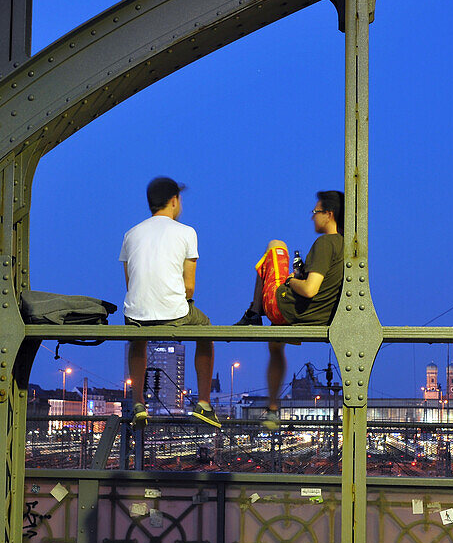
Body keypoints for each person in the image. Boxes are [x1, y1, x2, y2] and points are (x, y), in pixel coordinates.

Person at [234, 190, 344, 429]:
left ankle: (253, 313)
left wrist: (290, 281)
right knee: (275, 344)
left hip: (284, 308)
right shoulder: (347, 247)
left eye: (316, 212)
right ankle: (273, 409)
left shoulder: (326, 242)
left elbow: (310, 289)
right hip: (316, 317)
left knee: (275, 246)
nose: (312, 217)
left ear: (329, 214)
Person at [119, 177, 219, 428]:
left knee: (137, 337)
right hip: (174, 313)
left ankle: (139, 402)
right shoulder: (186, 232)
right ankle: (204, 404)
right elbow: (189, 287)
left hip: (135, 313)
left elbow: (130, 284)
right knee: (205, 329)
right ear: (174, 201)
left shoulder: (131, 234)